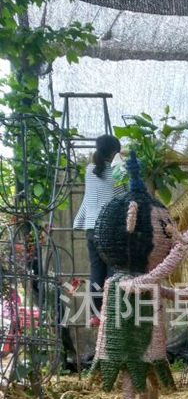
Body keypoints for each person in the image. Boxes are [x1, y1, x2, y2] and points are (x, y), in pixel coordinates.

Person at [73, 134, 123, 324]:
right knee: (113, 271)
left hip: (91, 229)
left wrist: (79, 221)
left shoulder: (89, 170)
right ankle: (109, 312)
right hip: (109, 228)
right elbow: (123, 196)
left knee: (96, 271)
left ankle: (95, 314)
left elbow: (88, 197)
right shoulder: (117, 171)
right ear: (115, 152)